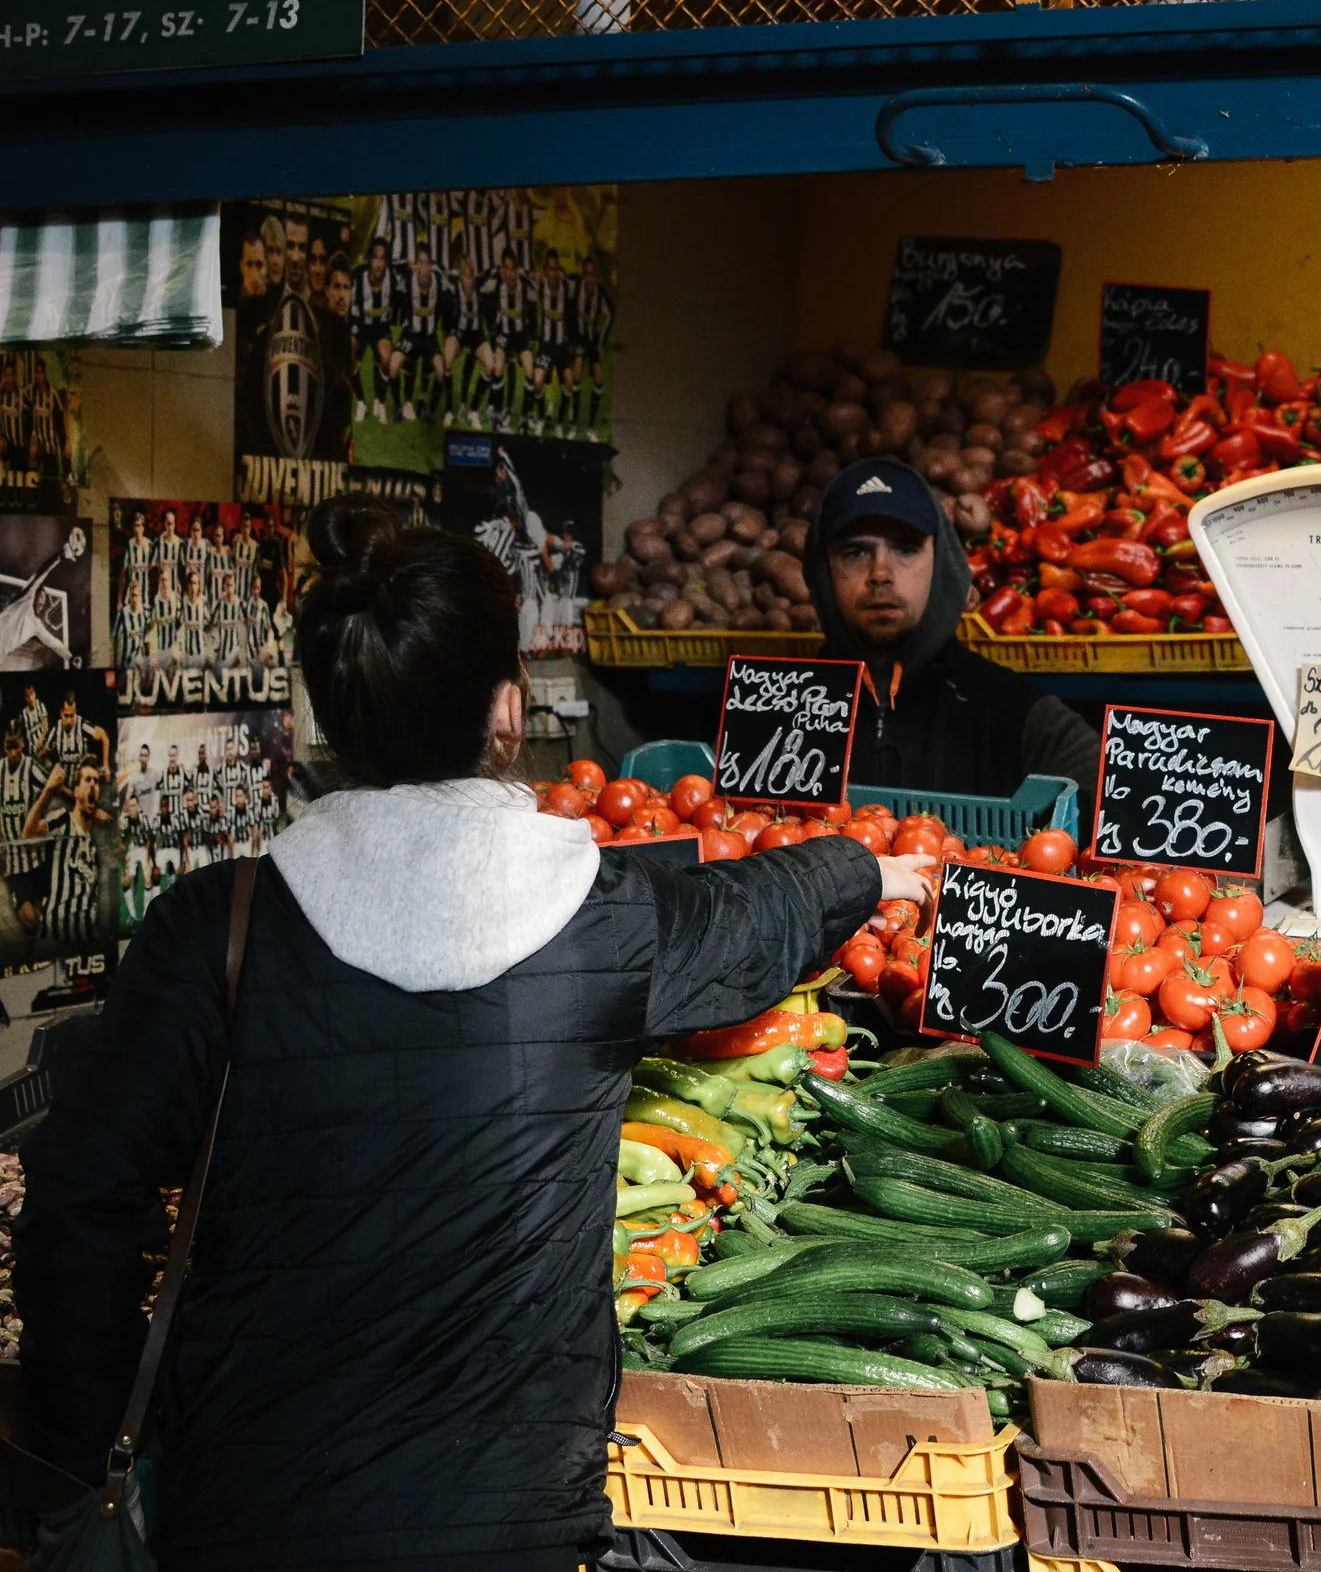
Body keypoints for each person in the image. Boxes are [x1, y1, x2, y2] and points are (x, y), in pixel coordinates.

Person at [19, 494, 934, 1572]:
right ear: (509, 715)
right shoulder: (605, 922)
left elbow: (80, 1209)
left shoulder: (212, 930)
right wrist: (866, 868)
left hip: (246, 1506)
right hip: (511, 1522)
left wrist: (90, 1450)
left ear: (326, 717)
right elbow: (754, 919)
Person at [805, 459, 1098, 803]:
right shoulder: (775, 705)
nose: (880, 572)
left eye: (906, 548)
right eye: (854, 552)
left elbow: (1117, 797)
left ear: (942, 560)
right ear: (823, 571)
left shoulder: (1010, 710)